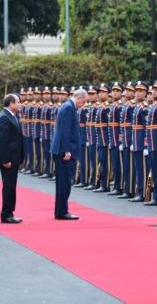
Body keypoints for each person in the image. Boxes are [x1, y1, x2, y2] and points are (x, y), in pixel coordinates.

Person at [51, 89, 87, 220]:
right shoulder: (68, 108)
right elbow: (65, 131)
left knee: (63, 182)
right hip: (64, 152)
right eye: (83, 101)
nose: (82, 105)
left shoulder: (67, 106)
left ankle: (60, 210)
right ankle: (62, 211)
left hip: (63, 150)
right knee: (65, 182)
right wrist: (67, 150)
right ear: (78, 98)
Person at [0, 94, 24, 224]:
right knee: (8, 187)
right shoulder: (4, 117)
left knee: (11, 187)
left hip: (13, 158)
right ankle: (6, 214)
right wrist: (6, 160)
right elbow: (2, 141)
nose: (20, 104)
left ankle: (10, 212)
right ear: (11, 103)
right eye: (18, 102)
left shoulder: (11, 116)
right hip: (8, 160)